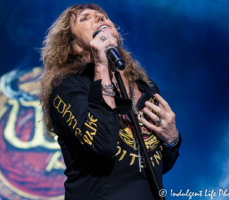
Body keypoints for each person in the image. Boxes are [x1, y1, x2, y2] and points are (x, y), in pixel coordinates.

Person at [40, 3, 182, 200]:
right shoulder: (67, 88)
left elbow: (157, 166)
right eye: (85, 18)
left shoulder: (145, 87)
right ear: (75, 46)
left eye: (102, 16)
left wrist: (173, 139)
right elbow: (103, 144)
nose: (100, 18)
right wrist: (101, 65)